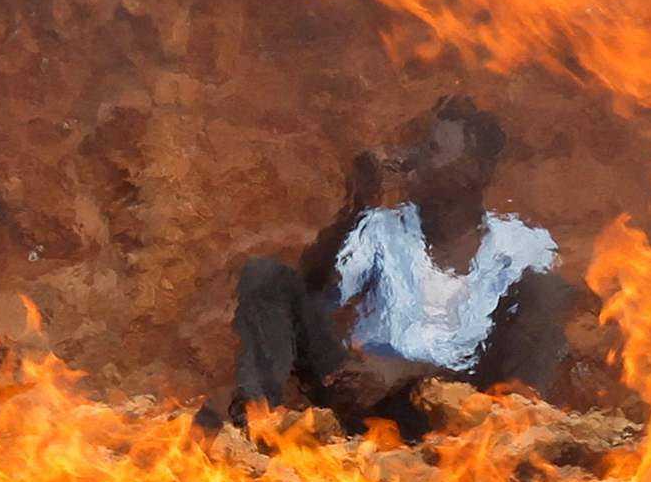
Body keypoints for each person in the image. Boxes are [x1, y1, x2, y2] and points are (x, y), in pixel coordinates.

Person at [230, 96, 573, 432]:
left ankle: (518, 440)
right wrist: (357, 204)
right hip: (368, 394)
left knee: (547, 291)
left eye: (432, 150)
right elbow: (317, 290)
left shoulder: (521, 244)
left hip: (464, 409)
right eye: (418, 148)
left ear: (477, 171)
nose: (413, 161)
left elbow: (531, 337)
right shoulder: (382, 227)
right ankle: (255, 427)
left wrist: (406, 373)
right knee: (267, 277)